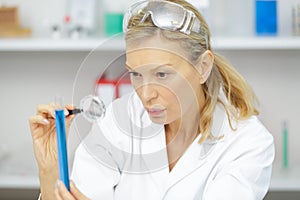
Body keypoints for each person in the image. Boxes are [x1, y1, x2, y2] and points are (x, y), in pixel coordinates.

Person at [29, 0, 275, 199]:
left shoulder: (248, 143)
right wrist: (50, 172)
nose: (145, 95)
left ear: (203, 67)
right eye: (136, 74)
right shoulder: (118, 119)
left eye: (162, 74)